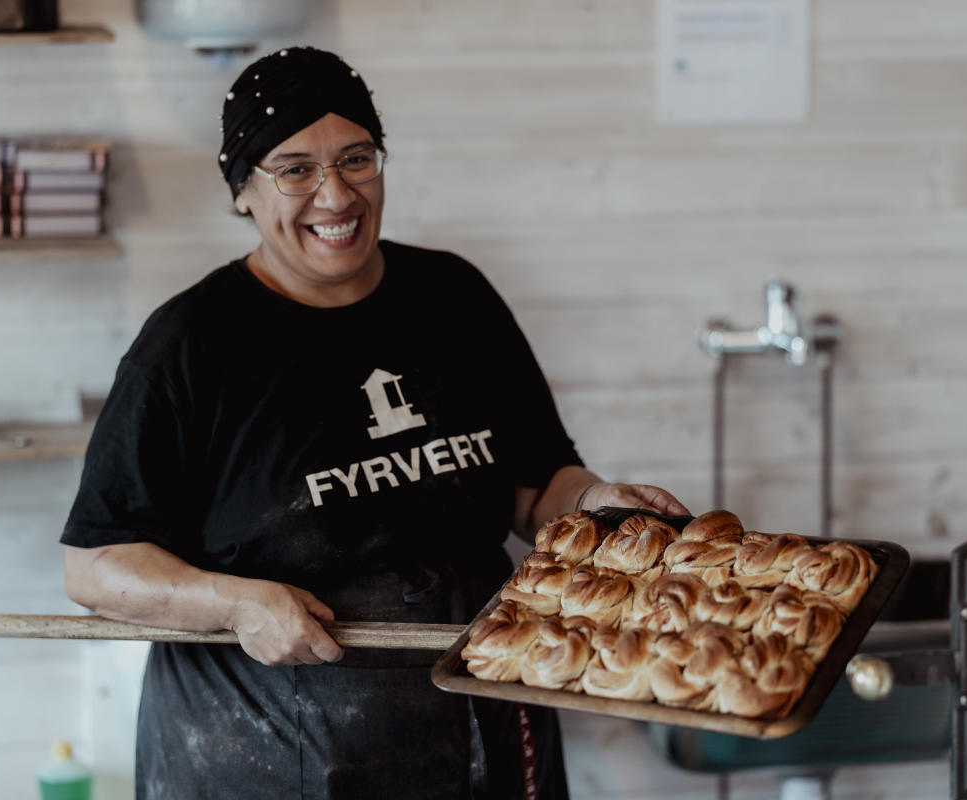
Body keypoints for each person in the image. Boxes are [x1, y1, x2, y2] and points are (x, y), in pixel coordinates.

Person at [61, 46, 690, 800]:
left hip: (480, 711)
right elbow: (96, 565)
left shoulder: (453, 296)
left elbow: (536, 483)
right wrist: (234, 603)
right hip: (270, 749)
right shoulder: (192, 345)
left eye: (356, 158)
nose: (335, 194)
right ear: (243, 192)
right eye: (295, 169)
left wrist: (592, 503)